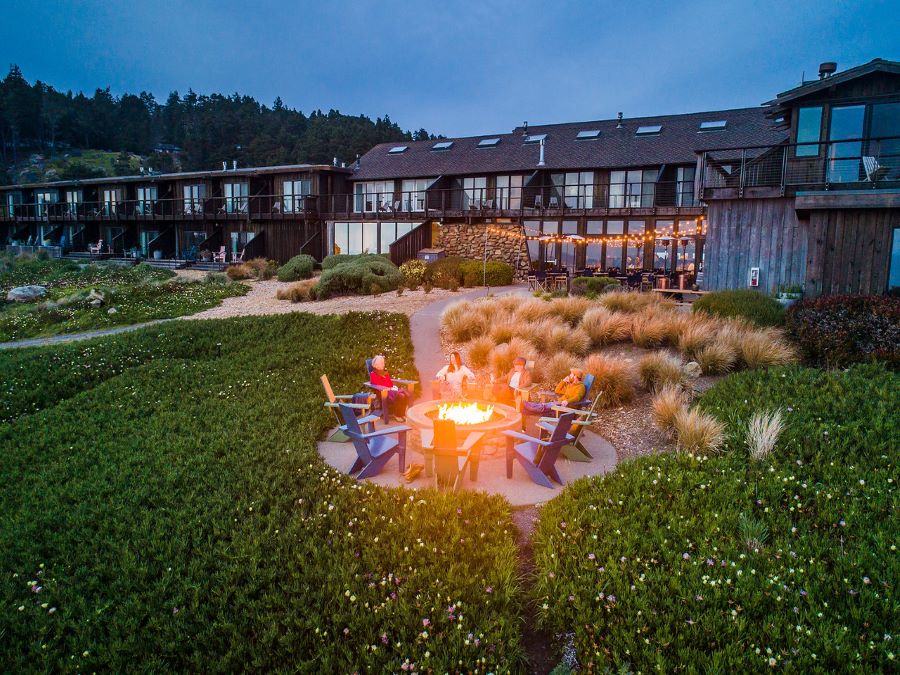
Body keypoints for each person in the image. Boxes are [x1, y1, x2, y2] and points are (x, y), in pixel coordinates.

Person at [370, 354, 410, 421]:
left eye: (383, 363)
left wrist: (387, 384)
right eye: (381, 363)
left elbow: (390, 384)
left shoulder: (385, 373)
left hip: (390, 390)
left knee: (405, 395)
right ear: (376, 365)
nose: (383, 364)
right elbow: (377, 384)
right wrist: (385, 384)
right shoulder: (373, 374)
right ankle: (397, 415)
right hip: (383, 393)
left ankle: (402, 414)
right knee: (401, 396)